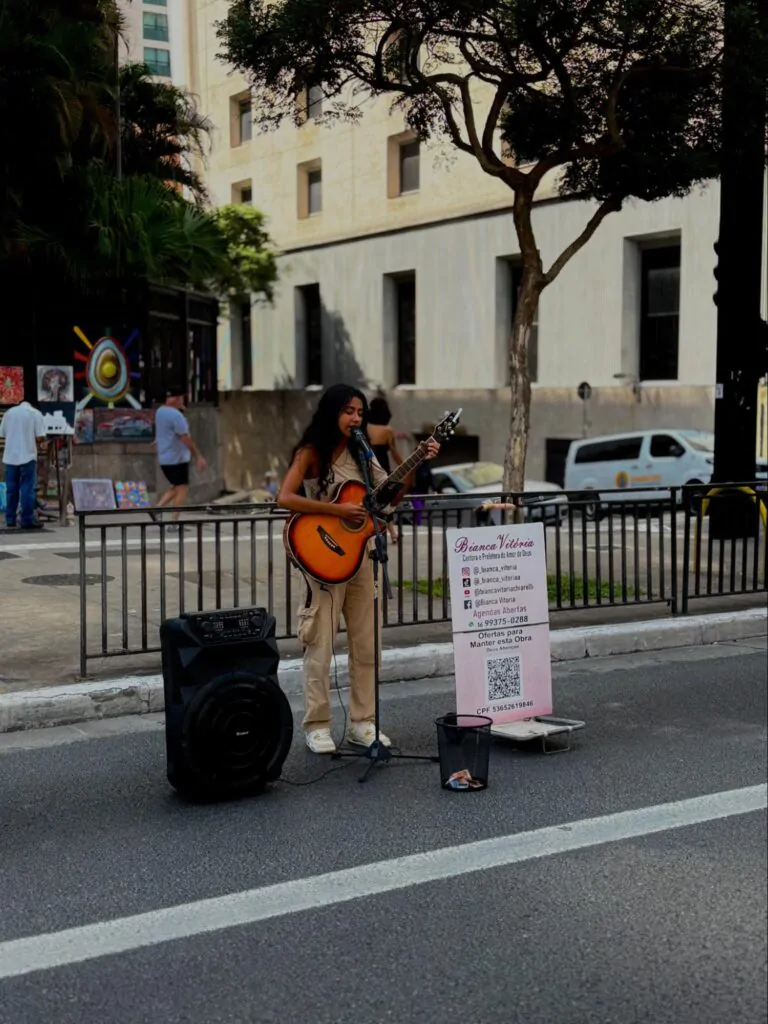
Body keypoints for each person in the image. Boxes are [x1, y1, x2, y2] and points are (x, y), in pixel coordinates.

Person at [278, 383, 439, 754]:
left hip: (363, 556)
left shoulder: (363, 455)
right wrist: (338, 511)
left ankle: (363, 724)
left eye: (360, 413)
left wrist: (418, 460)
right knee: (319, 643)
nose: (355, 418)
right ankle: (317, 725)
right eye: (348, 411)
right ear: (332, 412)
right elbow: (285, 497)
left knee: (368, 645)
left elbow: (389, 495)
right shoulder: (311, 453)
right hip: (322, 558)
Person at [152, 387, 207, 523]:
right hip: (177, 458)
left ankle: (157, 509)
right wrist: (198, 456)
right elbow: (185, 437)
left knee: (177, 486)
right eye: (181, 398)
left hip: (165, 457)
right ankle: (174, 522)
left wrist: (180, 410)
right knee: (182, 488)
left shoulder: (160, 412)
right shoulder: (176, 416)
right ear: (177, 399)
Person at [0, 399, 47, 530]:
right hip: (28, 456)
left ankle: (10, 519)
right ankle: (27, 519)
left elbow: (2, 433)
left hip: (10, 457)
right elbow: (40, 437)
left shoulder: (9, 413)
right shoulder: (35, 413)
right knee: (27, 489)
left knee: (11, 489)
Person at [366, 395, 404, 544]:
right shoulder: (388, 430)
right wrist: (406, 465)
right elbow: (394, 452)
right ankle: (392, 532)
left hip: (368, 466)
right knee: (385, 501)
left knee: (371, 499)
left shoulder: (366, 428)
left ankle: (383, 531)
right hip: (382, 466)